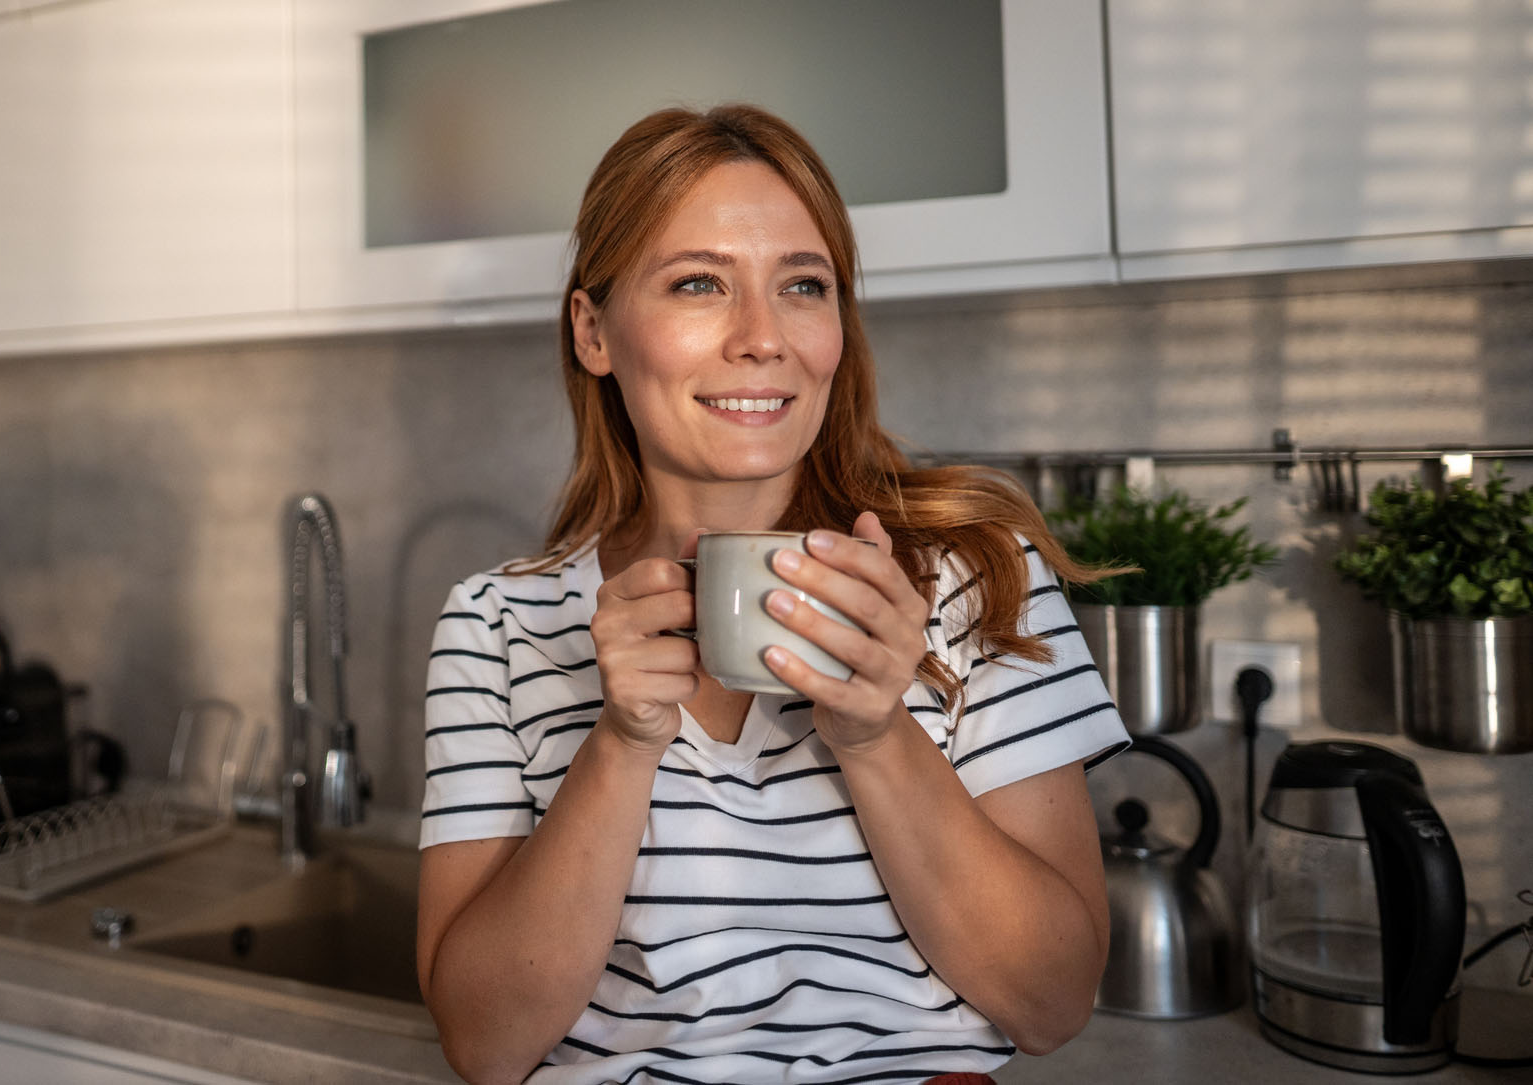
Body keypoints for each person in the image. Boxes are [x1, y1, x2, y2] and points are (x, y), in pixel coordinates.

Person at [416, 104, 1130, 1085]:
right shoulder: (497, 624)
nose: (763, 337)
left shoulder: (971, 574)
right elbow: (484, 1044)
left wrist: (877, 734)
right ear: (592, 329)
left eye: (803, 285)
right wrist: (621, 743)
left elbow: (1052, 1002)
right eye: (699, 282)